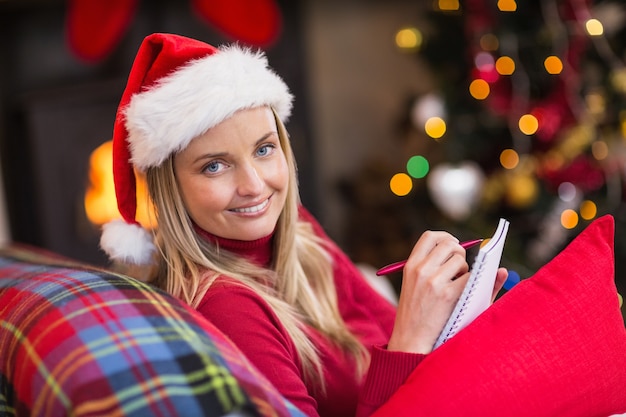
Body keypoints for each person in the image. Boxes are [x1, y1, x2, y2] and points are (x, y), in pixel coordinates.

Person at [100, 32, 508, 417]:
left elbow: (382, 321)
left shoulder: (296, 233)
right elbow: (401, 342)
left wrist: (451, 316)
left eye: (264, 149)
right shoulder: (230, 309)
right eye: (214, 166)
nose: (255, 187)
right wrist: (411, 340)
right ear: (172, 188)